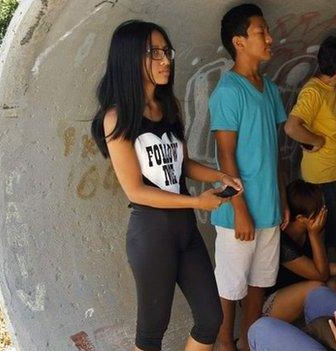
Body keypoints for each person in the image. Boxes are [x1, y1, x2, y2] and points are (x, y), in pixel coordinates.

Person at [90, 20, 242, 351]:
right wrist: (197, 204)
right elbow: (136, 190)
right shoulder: (116, 118)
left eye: (166, 51)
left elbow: (180, 165)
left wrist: (218, 175)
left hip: (185, 232)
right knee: (150, 335)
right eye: (155, 53)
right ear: (130, 58)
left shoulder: (167, 107)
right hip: (152, 235)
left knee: (210, 318)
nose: (166, 60)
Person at [209, 4, 288, 351]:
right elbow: (225, 155)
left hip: (269, 209)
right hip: (237, 214)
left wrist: (282, 199)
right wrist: (240, 208)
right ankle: (226, 344)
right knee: (229, 291)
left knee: (259, 286)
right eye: (261, 32)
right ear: (239, 41)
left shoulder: (268, 88)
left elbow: (274, 152)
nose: (270, 38)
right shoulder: (229, 91)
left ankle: (250, 344)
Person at [284, 36, 336, 263]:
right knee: (329, 233)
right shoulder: (314, 92)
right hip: (323, 178)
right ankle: (330, 280)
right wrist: (316, 141)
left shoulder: (332, 87)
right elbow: (291, 127)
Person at [263, 179, 336, 323]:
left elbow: (316, 266)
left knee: (332, 283)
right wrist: (315, 235)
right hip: (268, 304)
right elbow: (320, 274)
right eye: (319, 211)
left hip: (296, 289)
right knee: (317, 287)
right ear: (300, 218)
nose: (324, 213)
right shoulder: (281, 241)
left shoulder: (309, 230)